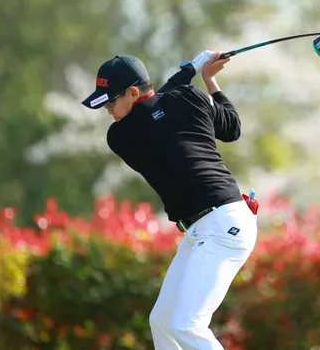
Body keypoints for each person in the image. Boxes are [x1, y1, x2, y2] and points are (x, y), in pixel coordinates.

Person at [81, 50, 259, 349]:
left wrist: (193, 70)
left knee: (186, 325)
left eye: (110, 102)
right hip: (206, 227)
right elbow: (231, 126)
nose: (108, 111)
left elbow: (161, 104)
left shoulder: (123, 133)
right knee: (162, 322)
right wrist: (206, 78)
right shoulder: (188, 99)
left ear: (133, 93)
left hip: (222, 225)